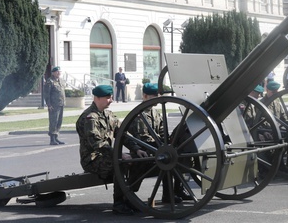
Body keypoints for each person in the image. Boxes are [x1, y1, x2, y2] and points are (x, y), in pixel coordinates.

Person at [76, 85, 147, 215]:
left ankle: (129, 197)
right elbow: (96, 143)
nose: (111, 100)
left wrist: (136, 149)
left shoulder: (108, 115)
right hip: (92, 159)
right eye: (108, 97)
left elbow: (123, 135)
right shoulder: (89, 118)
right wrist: (117, 154)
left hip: (107, 155)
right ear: (97, 98)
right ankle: (119, 204)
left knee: (140, 160)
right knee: (120, 163)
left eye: (111, 97)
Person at [130, 83, 190, 204]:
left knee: (180, 155)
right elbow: (143, 138)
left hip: (158, 148)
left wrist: (168, 142)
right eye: (154, 96)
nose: (157, 98)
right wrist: (163, 144)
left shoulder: (155, 113)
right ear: (145, 96)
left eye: (158, 95)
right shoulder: (139, 114)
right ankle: (168, 195)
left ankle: (175, 191)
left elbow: (163, 132)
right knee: (170, 158)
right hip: (145, 151)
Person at [43, 66, 66, 145]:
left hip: (61, 104)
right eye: (57, 72)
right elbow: (47, 94)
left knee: (59, 121)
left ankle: (56, 137)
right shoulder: (50, 81)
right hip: (53, 105)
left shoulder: (61, 81)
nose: (58, 73)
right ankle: (52, 139)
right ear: (53, 73)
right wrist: (49, 104)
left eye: (59, 71)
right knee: (53, 121)